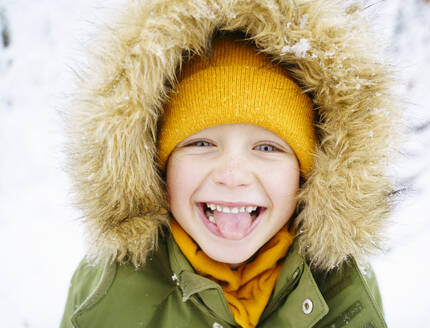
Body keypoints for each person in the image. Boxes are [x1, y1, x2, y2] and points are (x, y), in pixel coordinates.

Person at [60, 1, 399, 327]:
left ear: (309, 173)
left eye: (267, 147)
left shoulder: (343, 291)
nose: (233, 176)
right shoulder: (107, 292)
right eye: (201, 143)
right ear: (155, 165)